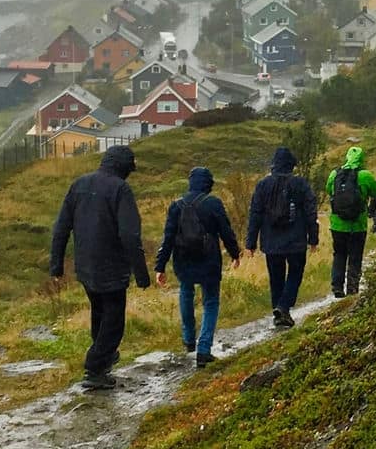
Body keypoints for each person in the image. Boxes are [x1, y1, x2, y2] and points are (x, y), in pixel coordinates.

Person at [48, 143, 150, 390]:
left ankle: (104, 358)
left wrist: (56, 265)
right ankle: (95, 368)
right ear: (124, 167)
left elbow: (61, 227)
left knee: (99, 312)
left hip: (85, 266)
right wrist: (141, 273)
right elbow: (129, 234)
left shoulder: (79, 184)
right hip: (112, 267)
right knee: (114, 321)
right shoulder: (120, 189)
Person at [156, 166, 240, 364]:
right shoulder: (213, 204)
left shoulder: (176, 205)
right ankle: (204, 348)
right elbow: (226, 232)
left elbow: (168, 238)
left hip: (183, 259)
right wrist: (235, 253)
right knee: (210, 301)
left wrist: (160, 266)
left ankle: (188, 340)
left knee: (186, 293)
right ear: (208, 184)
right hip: (209, 260)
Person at [245, 145, 320, 329]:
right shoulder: (300, 184)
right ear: (291, 165)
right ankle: (283, 307)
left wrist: (250, 243)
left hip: (271, 241)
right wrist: (313, 238)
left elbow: (255, 214)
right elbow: (311, 212)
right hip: (296, 240)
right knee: (295, 273)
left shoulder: (263, 185)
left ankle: (278, 313)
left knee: (276, 277)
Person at [327, 144, 376, 298]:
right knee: (355, 256)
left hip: (337, 225)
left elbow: (329, 190)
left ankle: (337, 286)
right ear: (361, 159)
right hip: (357, 225)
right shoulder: (364, 175)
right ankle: (352, 288)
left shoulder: (334, 174)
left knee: (339, 254)